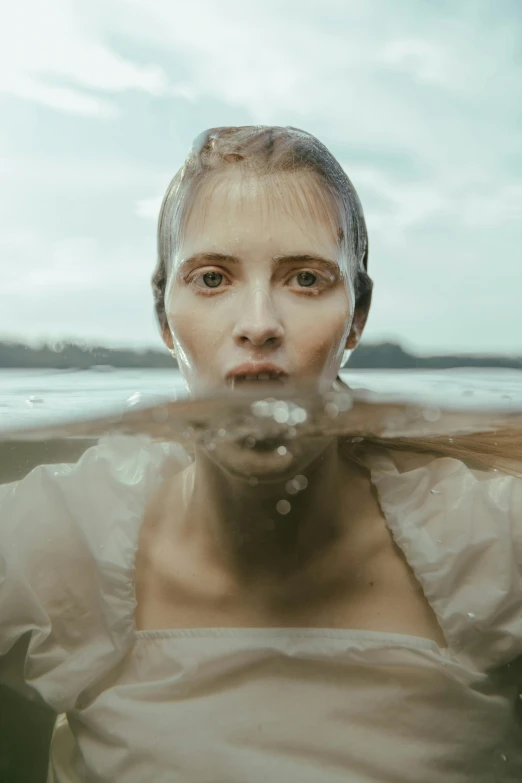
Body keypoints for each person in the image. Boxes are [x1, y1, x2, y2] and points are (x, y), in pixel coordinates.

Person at [1, 126, 521, 782]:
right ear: (164, 315)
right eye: (212, 277)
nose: (259, 323)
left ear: (357, 314)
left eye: (305, 278)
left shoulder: (491, 547)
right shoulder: (55, 547)